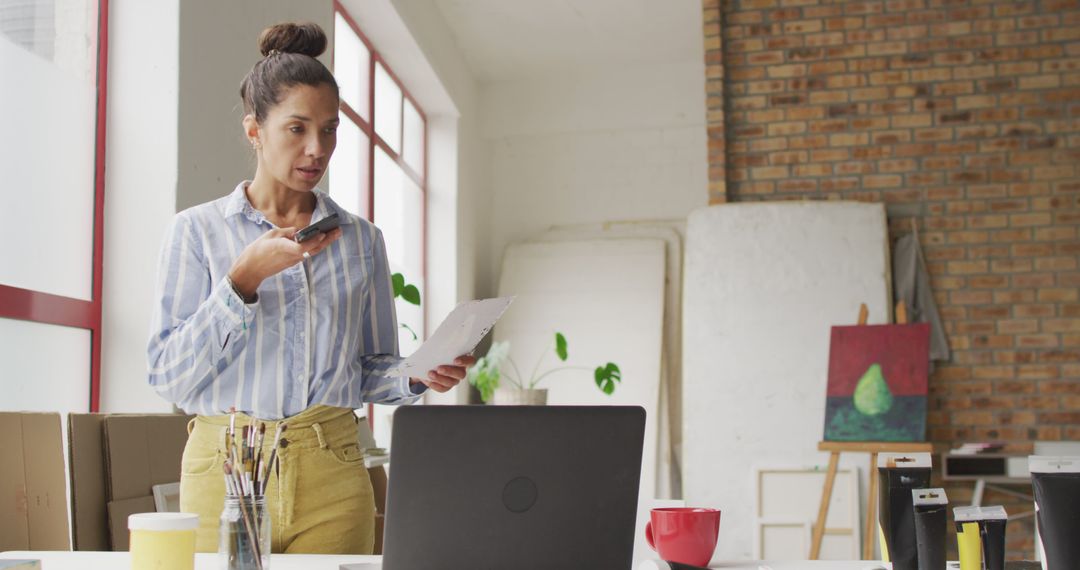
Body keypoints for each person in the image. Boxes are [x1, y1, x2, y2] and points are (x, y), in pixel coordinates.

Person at [146, 21, 473, 554]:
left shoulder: (362, 240)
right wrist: (241, 281)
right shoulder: (196, 233)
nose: (317, 148)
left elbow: (370, 368)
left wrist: (417, 374)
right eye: (297, 129)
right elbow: (167, 375)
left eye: (330, 129)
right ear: (255, 130)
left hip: (334, 472)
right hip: (226, 469)